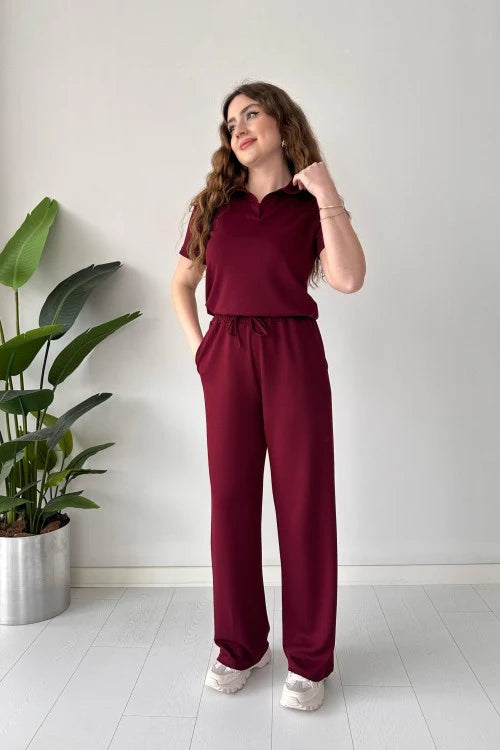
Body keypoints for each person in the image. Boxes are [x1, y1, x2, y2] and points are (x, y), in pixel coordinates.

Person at [171, 80, 366, 711]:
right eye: (230, 123)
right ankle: (240, 645)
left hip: (293, 353)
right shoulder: (214, 205)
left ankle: (309, 660)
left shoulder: (309, 207)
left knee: (304, 501)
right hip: (226, 353)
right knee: (230, 503)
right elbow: (181, 283)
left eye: (250, 114)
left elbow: (349, 278)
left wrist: (327, 191)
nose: (238, 128)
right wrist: (202, 349)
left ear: (282, 123)